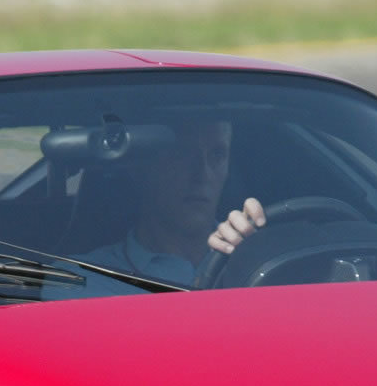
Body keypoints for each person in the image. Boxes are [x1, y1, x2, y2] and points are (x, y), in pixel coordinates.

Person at [79, 120, 266, 286]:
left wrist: (258, 251)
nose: (203, 175)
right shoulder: (83, 279)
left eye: (217, 155)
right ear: (138, 168)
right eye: (181, 153)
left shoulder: (259, 262)